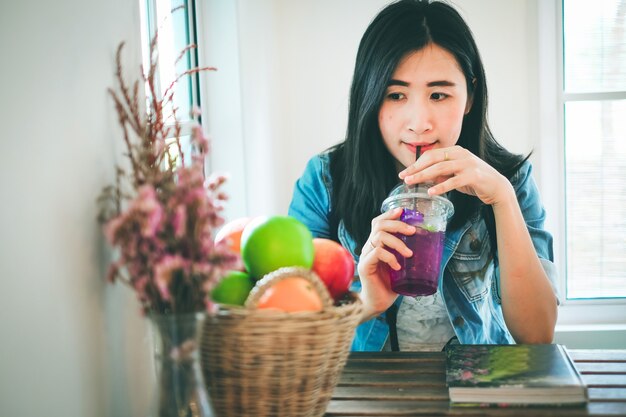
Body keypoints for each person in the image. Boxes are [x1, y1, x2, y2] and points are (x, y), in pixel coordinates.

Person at [288, 0, 558, 351]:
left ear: (470, 96)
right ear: (369, 98)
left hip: (475, 395)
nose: (419, 122)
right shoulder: (325, 180)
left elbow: (537, 334)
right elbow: (290, 331)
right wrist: (368, 303)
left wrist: (502, 199)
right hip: (366, 396)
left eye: (439, 94)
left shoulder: (510, 181)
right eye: (396, 95)